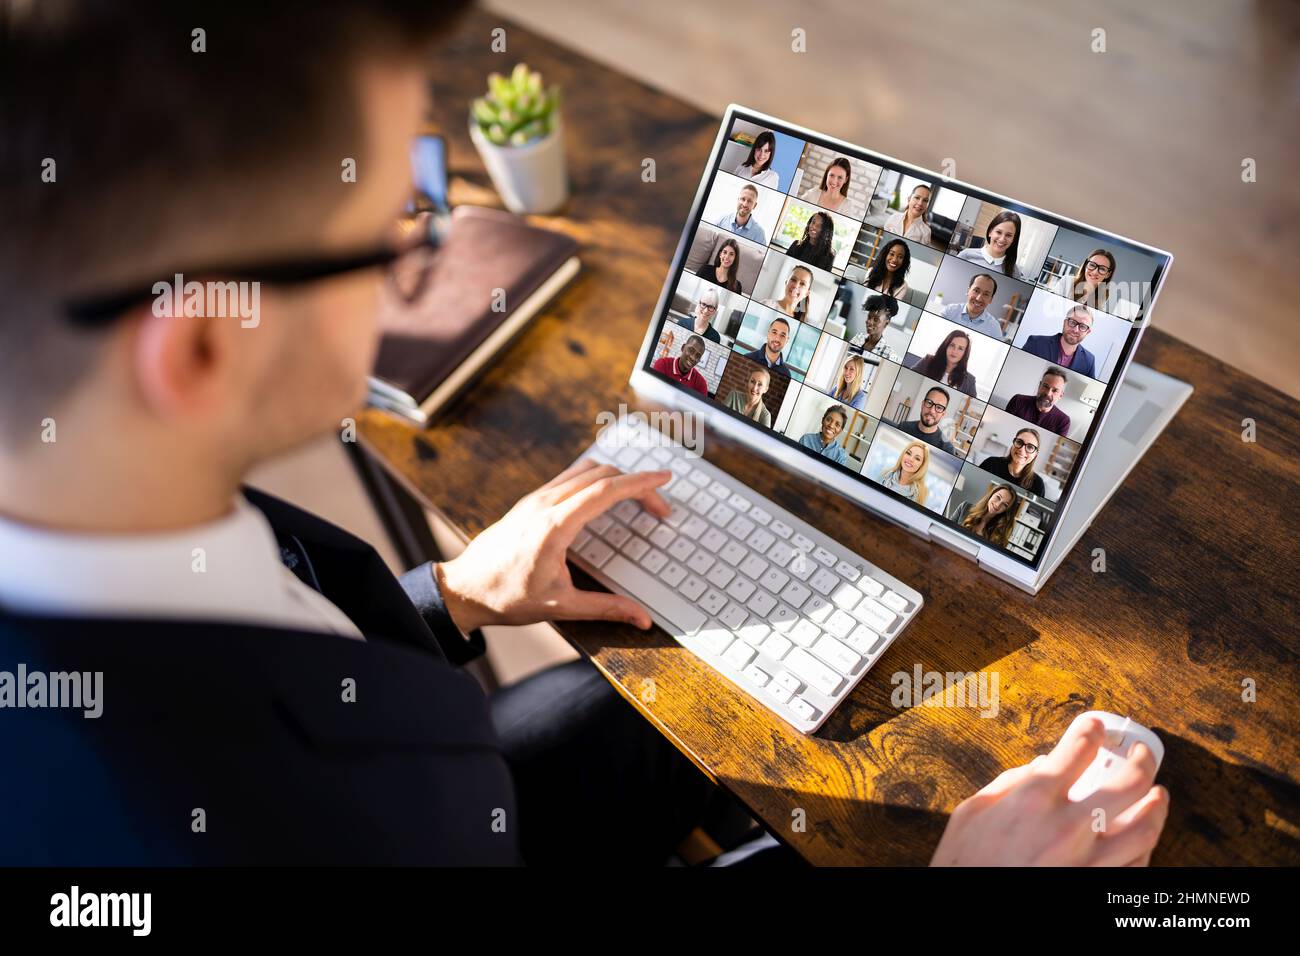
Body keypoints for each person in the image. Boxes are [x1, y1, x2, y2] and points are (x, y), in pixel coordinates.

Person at [0, 1, 1168, 869]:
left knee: (693, 675)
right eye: (396, 235)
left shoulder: (93, 484)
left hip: (452, 760)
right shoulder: (258, 827)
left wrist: (447, 595)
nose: (430, 258)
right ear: (201, 344)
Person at [1021, 305, 1097, 378]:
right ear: (1065, 322)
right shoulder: (1036, 342)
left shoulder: (1089, 360)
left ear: (1087, 332)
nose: (1075, 330)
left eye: (1083, 326)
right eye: (1072, 322)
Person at [956, 211, 1029, 280]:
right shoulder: (966, 255)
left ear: (1013, 239)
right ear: (990, 232)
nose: (1002, 239)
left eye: (1008, 235)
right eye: (998, 232)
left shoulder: (1015, 273)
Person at [908, 329, 978, 397]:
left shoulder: (970, 380)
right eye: (952, 345)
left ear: (965, 353)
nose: (954, 351)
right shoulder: (928, 361)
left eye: (960, 348)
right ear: (946, 346)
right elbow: (910, 377)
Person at [980, 427, 1046, 497]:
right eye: (1019, 442)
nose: (1022, 450)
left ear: (1035, 454)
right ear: (1013, 443)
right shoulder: (991, 463)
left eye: (1030, 447)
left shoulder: (1038, 484)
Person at [1006, 368, 1072, 437]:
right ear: (1040, 385)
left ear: (1060, 395)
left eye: (1055, 390)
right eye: (1045, 386)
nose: (1048, 393)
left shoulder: (1063, 421)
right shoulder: (1018, 400)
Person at [941, 272, 1004, 339]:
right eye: (976, 291)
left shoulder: (994, 327)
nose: (978, 298)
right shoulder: (949, 311)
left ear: (990, 300)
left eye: (986, 294)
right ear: (968, 291)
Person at [896, 387, 957, 455]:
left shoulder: (947, 449)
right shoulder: (903, 427)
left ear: (943, 413)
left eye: (939, 407)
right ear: (922, 404)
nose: (932, 411)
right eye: (929, 403)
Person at [956, 483, 1021, 547]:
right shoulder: (964, 507)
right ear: (991, 494)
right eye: (998, 497)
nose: (998, 505)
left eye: (1005, 505)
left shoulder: (999, 535)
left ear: (1006, 510)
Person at [849, 293, 902, 362]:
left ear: (886, 323)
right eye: (869, 317)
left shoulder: (889, 355)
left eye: (876, 319)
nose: (869, 322)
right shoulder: (858, 337)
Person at [879, 440, 929, 504]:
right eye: (908, 453)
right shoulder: (885, 474)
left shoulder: (922, 492)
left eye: (917, 458)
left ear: (922, 465)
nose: (910, 459)